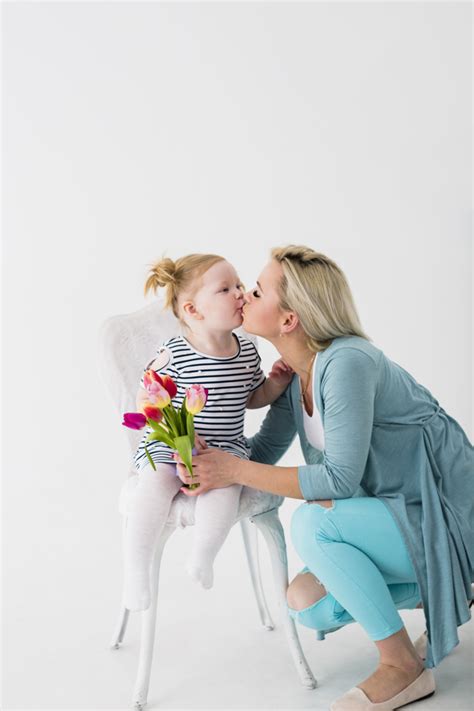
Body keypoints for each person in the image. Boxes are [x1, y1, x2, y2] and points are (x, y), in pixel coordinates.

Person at [173, 245, 473, 710]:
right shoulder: (297, 376)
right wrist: (199, 453)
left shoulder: (347, 361)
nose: (243, 298)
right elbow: (262, 453)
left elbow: (338, 481)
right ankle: (453, 591)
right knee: (305, 601)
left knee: (314, 525)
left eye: (255, 290)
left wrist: (232, 469)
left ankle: (403, 667)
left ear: (289, 319)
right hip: (399, 512)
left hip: (445, 513)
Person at [123, 253, 293, 611]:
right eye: (225, 289)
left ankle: (203, 555)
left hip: (224, 452)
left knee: (226, 492)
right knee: (154, 484)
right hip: (170, 444)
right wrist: (176, 433)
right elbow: (146, 399)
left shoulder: (246, 350)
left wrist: (275, 383)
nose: (240, 293)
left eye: (239, 285)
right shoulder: (175, 353)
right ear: (194, 311)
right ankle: (136, 570)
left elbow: (251, 397)